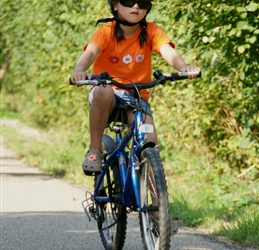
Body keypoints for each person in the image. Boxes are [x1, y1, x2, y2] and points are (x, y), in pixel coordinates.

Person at [70, 0, 201, 173]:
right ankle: (95, 150)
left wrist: (183, 67)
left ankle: (154, 197)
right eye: (129, 1)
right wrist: (79, 70)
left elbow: (167, 50)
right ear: (115, 5)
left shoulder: (151, 31)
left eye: (143, 2)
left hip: (136, 97)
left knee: (149, 142)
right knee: (102, 90)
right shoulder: (106, 32)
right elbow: (91, 52)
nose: (136, 7)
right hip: (108, 93)